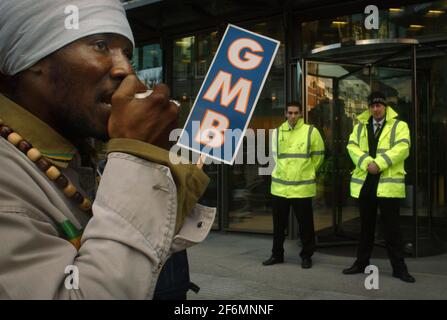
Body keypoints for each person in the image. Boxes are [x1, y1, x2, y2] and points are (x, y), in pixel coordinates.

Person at [0, 0, 215, 299]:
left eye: (127, 53)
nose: (125, 69)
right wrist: (136, 155)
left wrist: (156, 161)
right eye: (101, 45)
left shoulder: (74, 155)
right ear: (33, 58)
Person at [343, 91, 415, 283]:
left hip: (388, 185)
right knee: (365, 228)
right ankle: (361, 263)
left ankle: (399, 269)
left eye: (379, 106)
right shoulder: (359, 127)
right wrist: (367, 163)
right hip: (367, 183)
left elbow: (403, 148)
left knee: (392, 230)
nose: (376, 109)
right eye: (372, 106)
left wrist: (379, 164)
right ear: (369, 108)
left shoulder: (399, 126)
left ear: (385, 106)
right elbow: (351, 146)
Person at [263, 102, 325, 269]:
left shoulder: (311, 132)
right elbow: (276, 157)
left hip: (302, 187)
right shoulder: (276, 132)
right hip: (280, 187)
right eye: (289, 113)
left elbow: (318, 156)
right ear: (285, 113)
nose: (292, 116)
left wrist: (308, 172)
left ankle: (306, 256)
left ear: (301, 113)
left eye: (296, 113)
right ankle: (277, 255)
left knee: (306, 225)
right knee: (278, 226)